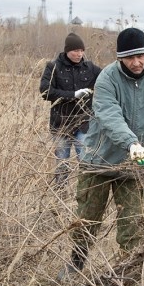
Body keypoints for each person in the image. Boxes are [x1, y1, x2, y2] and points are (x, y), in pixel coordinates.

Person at [62, 27, 144, 280]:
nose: (136, 62)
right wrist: (131, 143)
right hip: (98, 161)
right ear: (120, 58)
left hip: (134, 167)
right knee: (87, 219)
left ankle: (127, 275)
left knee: (133, 225)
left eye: (140, 55)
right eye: (130, 57)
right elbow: (110, 117)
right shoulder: (107, 79)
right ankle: (76, 263)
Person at [39, 32, 102, 185]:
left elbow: (108, 78)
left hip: (83, 124)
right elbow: (45, 91)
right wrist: (73, 95)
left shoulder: (90, 68)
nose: (79, 54)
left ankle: (87, 191)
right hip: (60, 125)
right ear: (67, 50)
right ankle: (60, 196)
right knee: (62, 164)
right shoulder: (53, 67)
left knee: (86, 160)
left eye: (81, 50)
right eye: (75, 51)